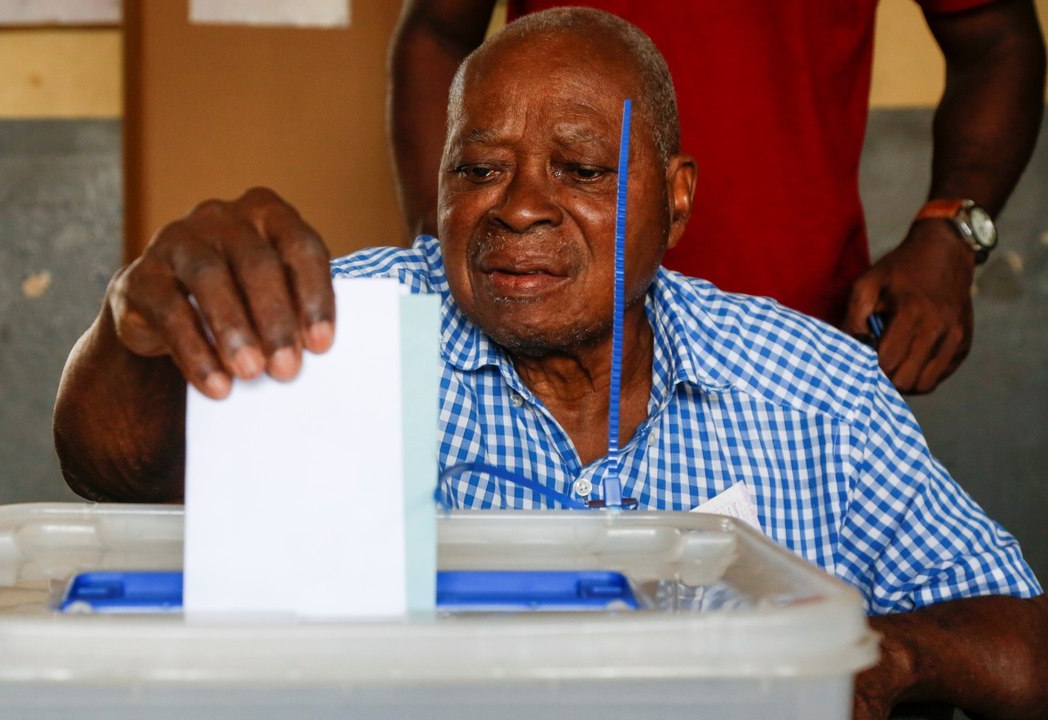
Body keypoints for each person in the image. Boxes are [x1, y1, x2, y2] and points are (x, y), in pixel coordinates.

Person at [53, 9, 1046, 719]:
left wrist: (890, 656)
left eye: (580, 169)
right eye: (477, 169)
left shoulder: (810, 383)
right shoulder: (335, 332)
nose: (517, 206)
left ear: (677, 197)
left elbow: (1018, 642)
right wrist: (132, 319)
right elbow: (113, 464)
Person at [388, 0, 1047, 395]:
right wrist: (446, 256)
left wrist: (951, 232)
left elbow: (997, 38)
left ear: (681, 191)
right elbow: (436, 33)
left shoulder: (836, 404)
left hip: (802, 323)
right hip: (537, 342)